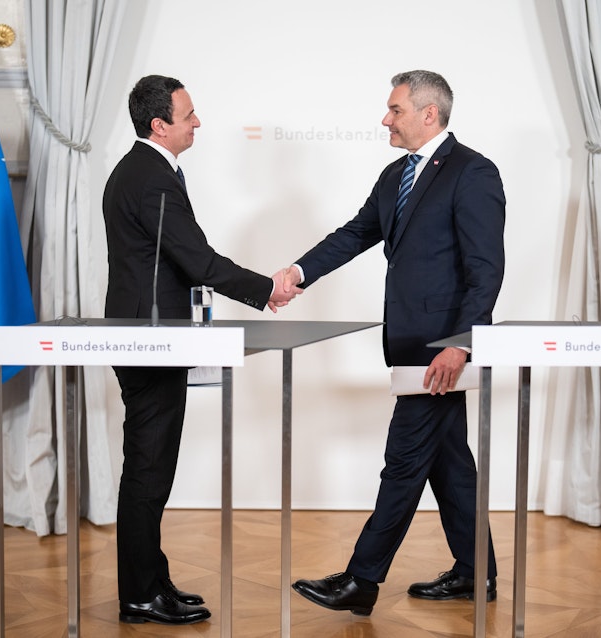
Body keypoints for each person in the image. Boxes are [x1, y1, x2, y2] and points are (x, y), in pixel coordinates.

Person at [283, 70, 505, 616]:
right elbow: (357, 233)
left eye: (395, 109)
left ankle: (361, 580)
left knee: (402, 462)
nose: (386, 118)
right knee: (450, 465)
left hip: (440, 352)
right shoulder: (394, 175)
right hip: (404, 343)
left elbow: (486, 269)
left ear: (429, 114)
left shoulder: (473, 172)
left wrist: (463, 343)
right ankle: (477, 574)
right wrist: (298, 271)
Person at [103, 74, 301, 625]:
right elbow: (198, 260)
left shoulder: (138, 171)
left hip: (147, 334)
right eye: (189, 115)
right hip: (151, 339)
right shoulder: (152, 178)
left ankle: (151, 579)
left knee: (152, 466)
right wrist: (266, 289)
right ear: (159, 124)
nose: (198, 123)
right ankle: (140, 595)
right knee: (148, 469)